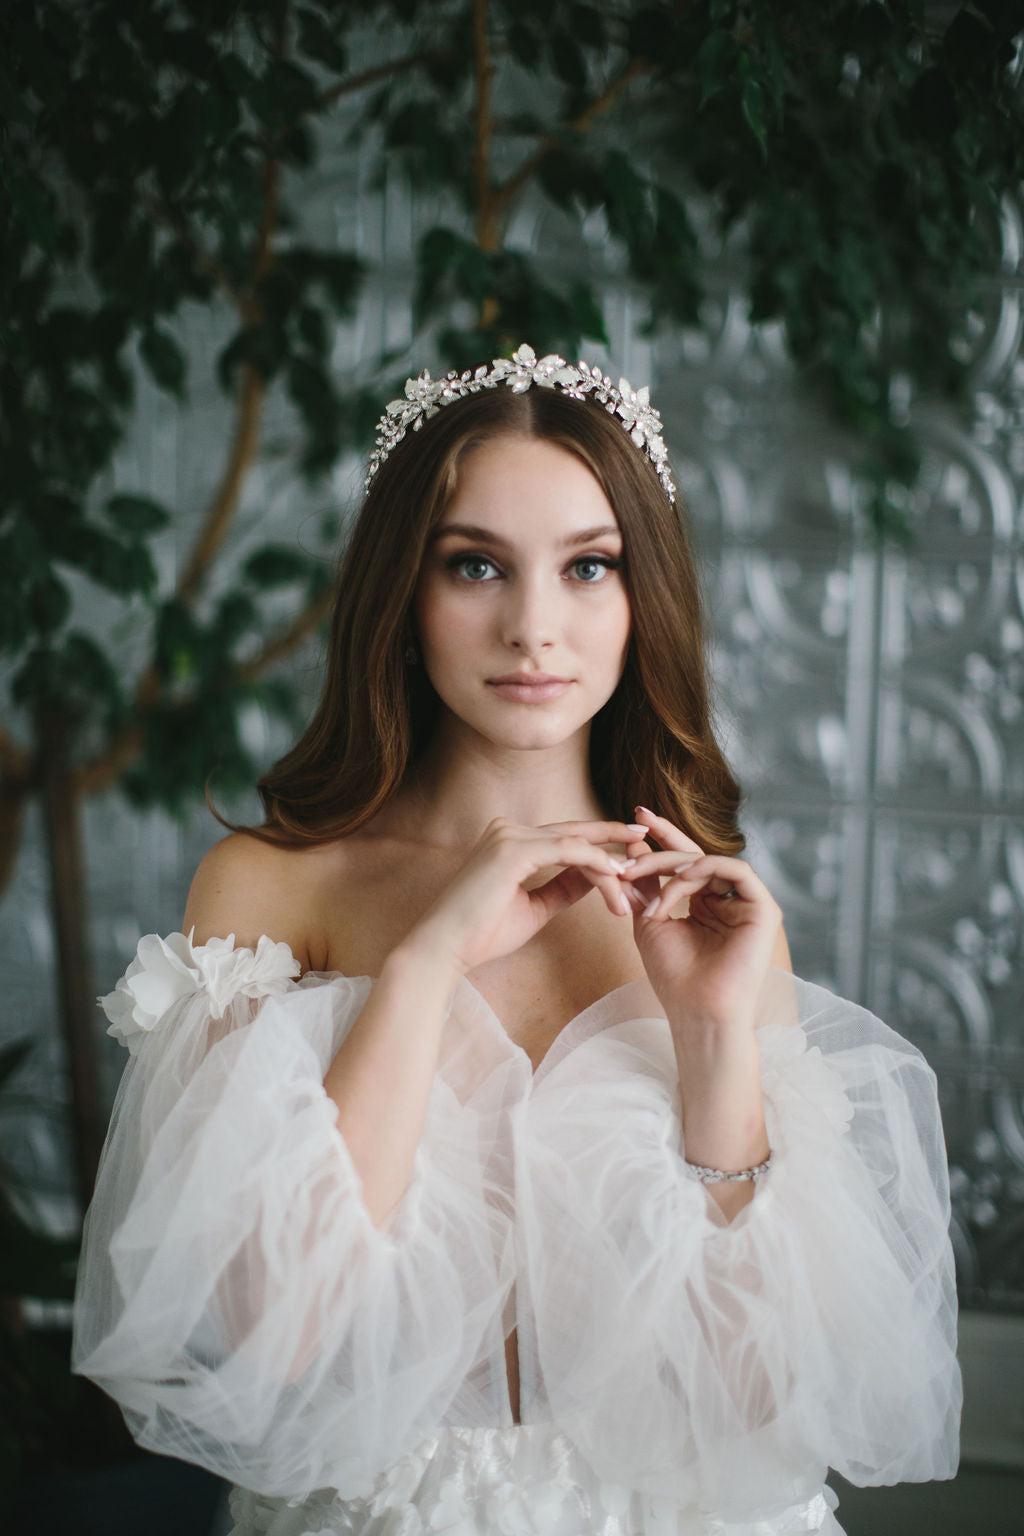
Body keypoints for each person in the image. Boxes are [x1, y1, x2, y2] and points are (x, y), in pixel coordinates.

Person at [72, 344, 962, 1536]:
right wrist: (429, 958)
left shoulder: (705, 919)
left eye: (589, 566)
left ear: (643, 594)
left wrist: (709, 1037)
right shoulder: (272, 888)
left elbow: (756, 1394)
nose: (534, 626)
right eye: (476, 565)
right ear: (404, 590)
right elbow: (276, 1340)